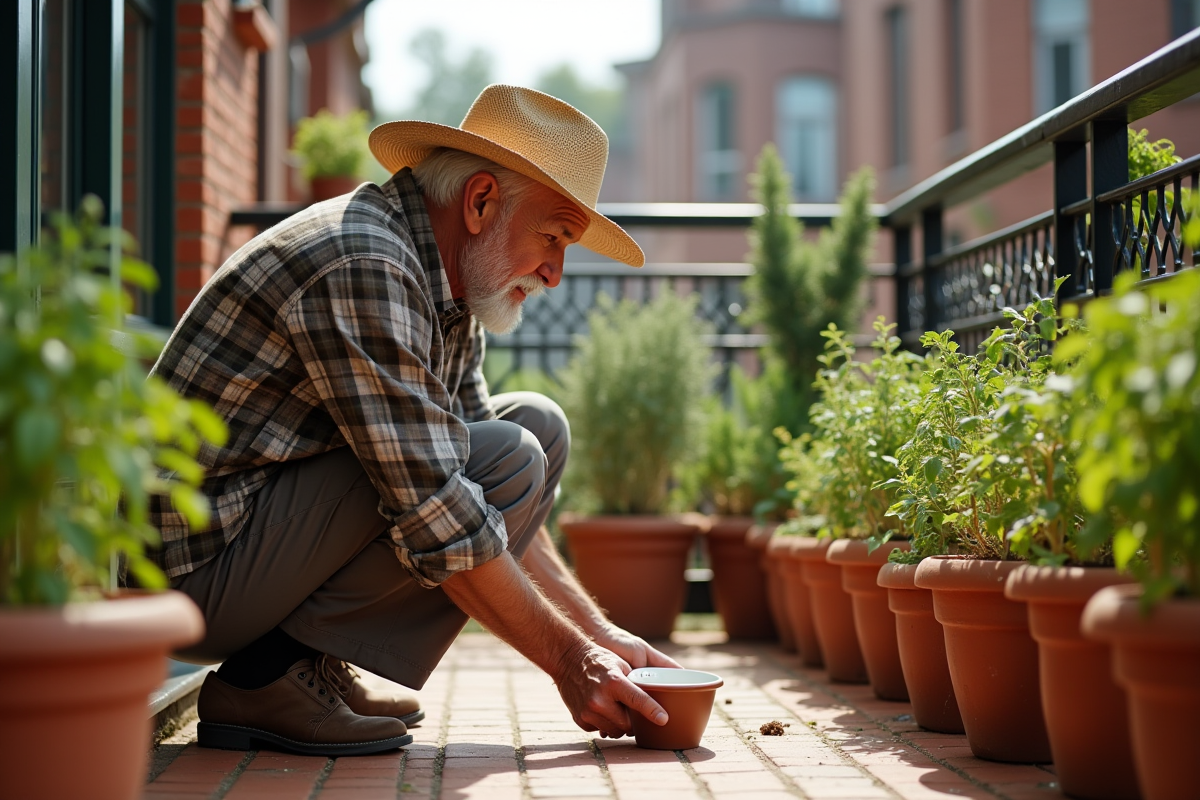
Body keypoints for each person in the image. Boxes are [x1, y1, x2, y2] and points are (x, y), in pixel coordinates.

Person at [146, 85, 681, 757]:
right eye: (553, 236)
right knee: (503, 456)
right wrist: (570, 662)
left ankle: (305, 664)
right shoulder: (365, 259)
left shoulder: (449, 286)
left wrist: (602, 637)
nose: (555, 272)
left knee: (535, 430)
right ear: (481, 202)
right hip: (188, 573)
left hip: (246, 551)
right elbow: (440, 503)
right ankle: (263, 678)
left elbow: (492, 503)